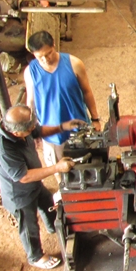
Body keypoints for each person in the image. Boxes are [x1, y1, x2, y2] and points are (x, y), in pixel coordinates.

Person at [0, 105, 85, 269]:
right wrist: (56, 168)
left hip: (35, 184)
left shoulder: (20, 126)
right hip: (19, 194)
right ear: (17, 133)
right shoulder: (3, 149)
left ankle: (53, 226)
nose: (34, 128)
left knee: (47, 202)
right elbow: (24, 176)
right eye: (30, 128)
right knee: (29, 227)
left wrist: (62, 127)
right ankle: (35, 257)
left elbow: (39, 131)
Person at [23, 30, 100, 173]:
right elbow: (31, 102)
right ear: (33, 54)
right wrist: (32, 130)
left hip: (78, 127)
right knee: (57, 168)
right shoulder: (30, 72)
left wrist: (95, 118)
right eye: (40, 57)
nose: (46, 59)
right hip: (50, 132)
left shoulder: (75, 64)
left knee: (86, 166)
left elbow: (87, 92)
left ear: (54, 45)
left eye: (49, 53)